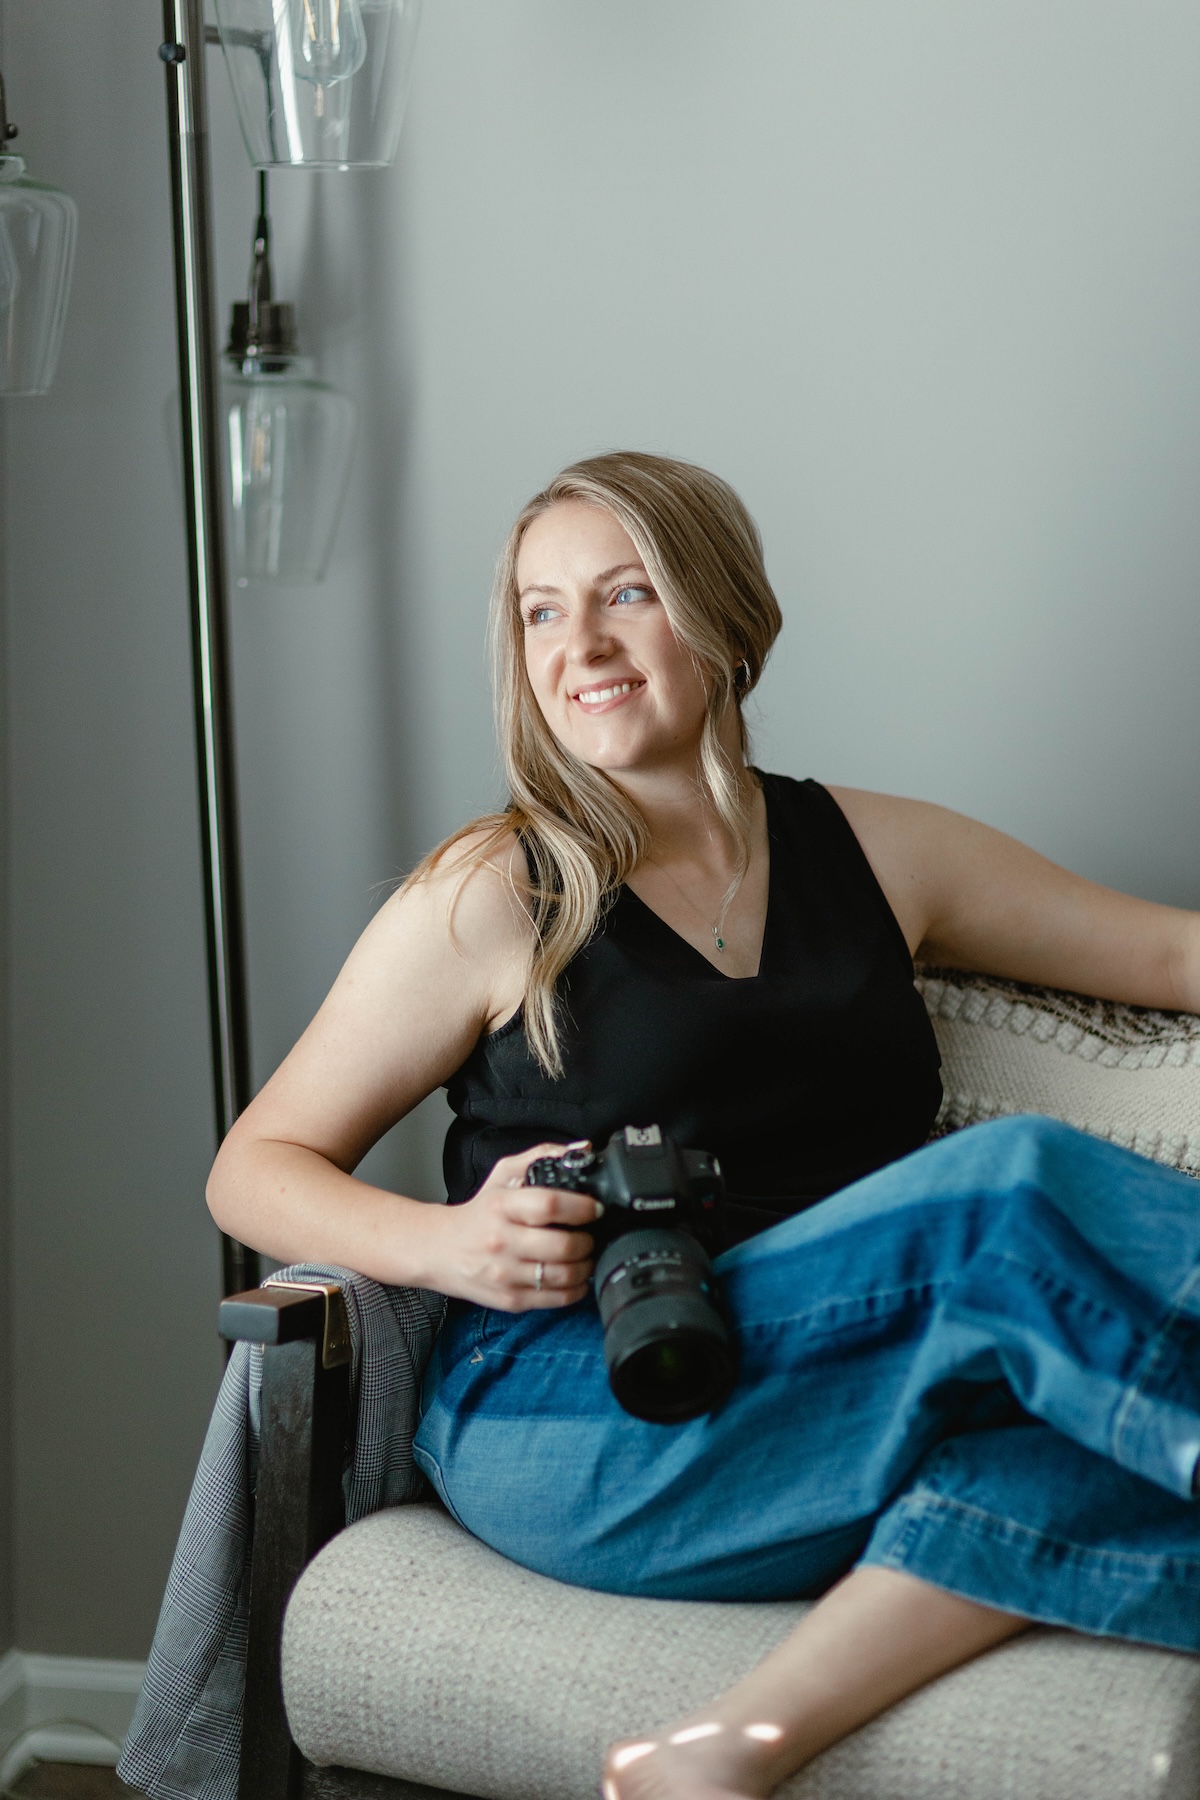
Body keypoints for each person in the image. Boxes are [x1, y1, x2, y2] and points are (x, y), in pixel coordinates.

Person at [208, 451, 1200, 1800]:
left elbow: (1171, 957)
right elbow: (252, 1168)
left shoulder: (882, 853)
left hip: (841, 1384)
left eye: (626, 593)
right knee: (1009, 1187)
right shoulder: (497, 889)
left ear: (724, 617)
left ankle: (724, 1749)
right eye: (541, 611)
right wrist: (448, 1246)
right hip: (577, 1403)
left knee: (1074, 1448)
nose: (580, 644)